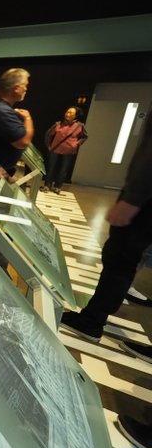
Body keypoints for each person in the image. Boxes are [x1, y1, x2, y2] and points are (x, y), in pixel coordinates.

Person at [60, 107, 152, 346]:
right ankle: (97, 315)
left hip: (144, 203)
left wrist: (132, 198)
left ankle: (92, 321)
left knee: (119, 258)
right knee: (123, 259)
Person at [42, 106, 88, 194]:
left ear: (76, 116)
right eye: (67, 112)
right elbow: (48, 134)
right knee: (51, 168)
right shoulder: (58, 124)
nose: (67, 114)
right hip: (55, 150)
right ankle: (47, 185)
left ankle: (58, 187)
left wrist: (76, 144)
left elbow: (84, 136)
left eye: (70, 113)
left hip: (69, 151)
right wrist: (49, 146)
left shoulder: (80, 126)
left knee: (63, 169)